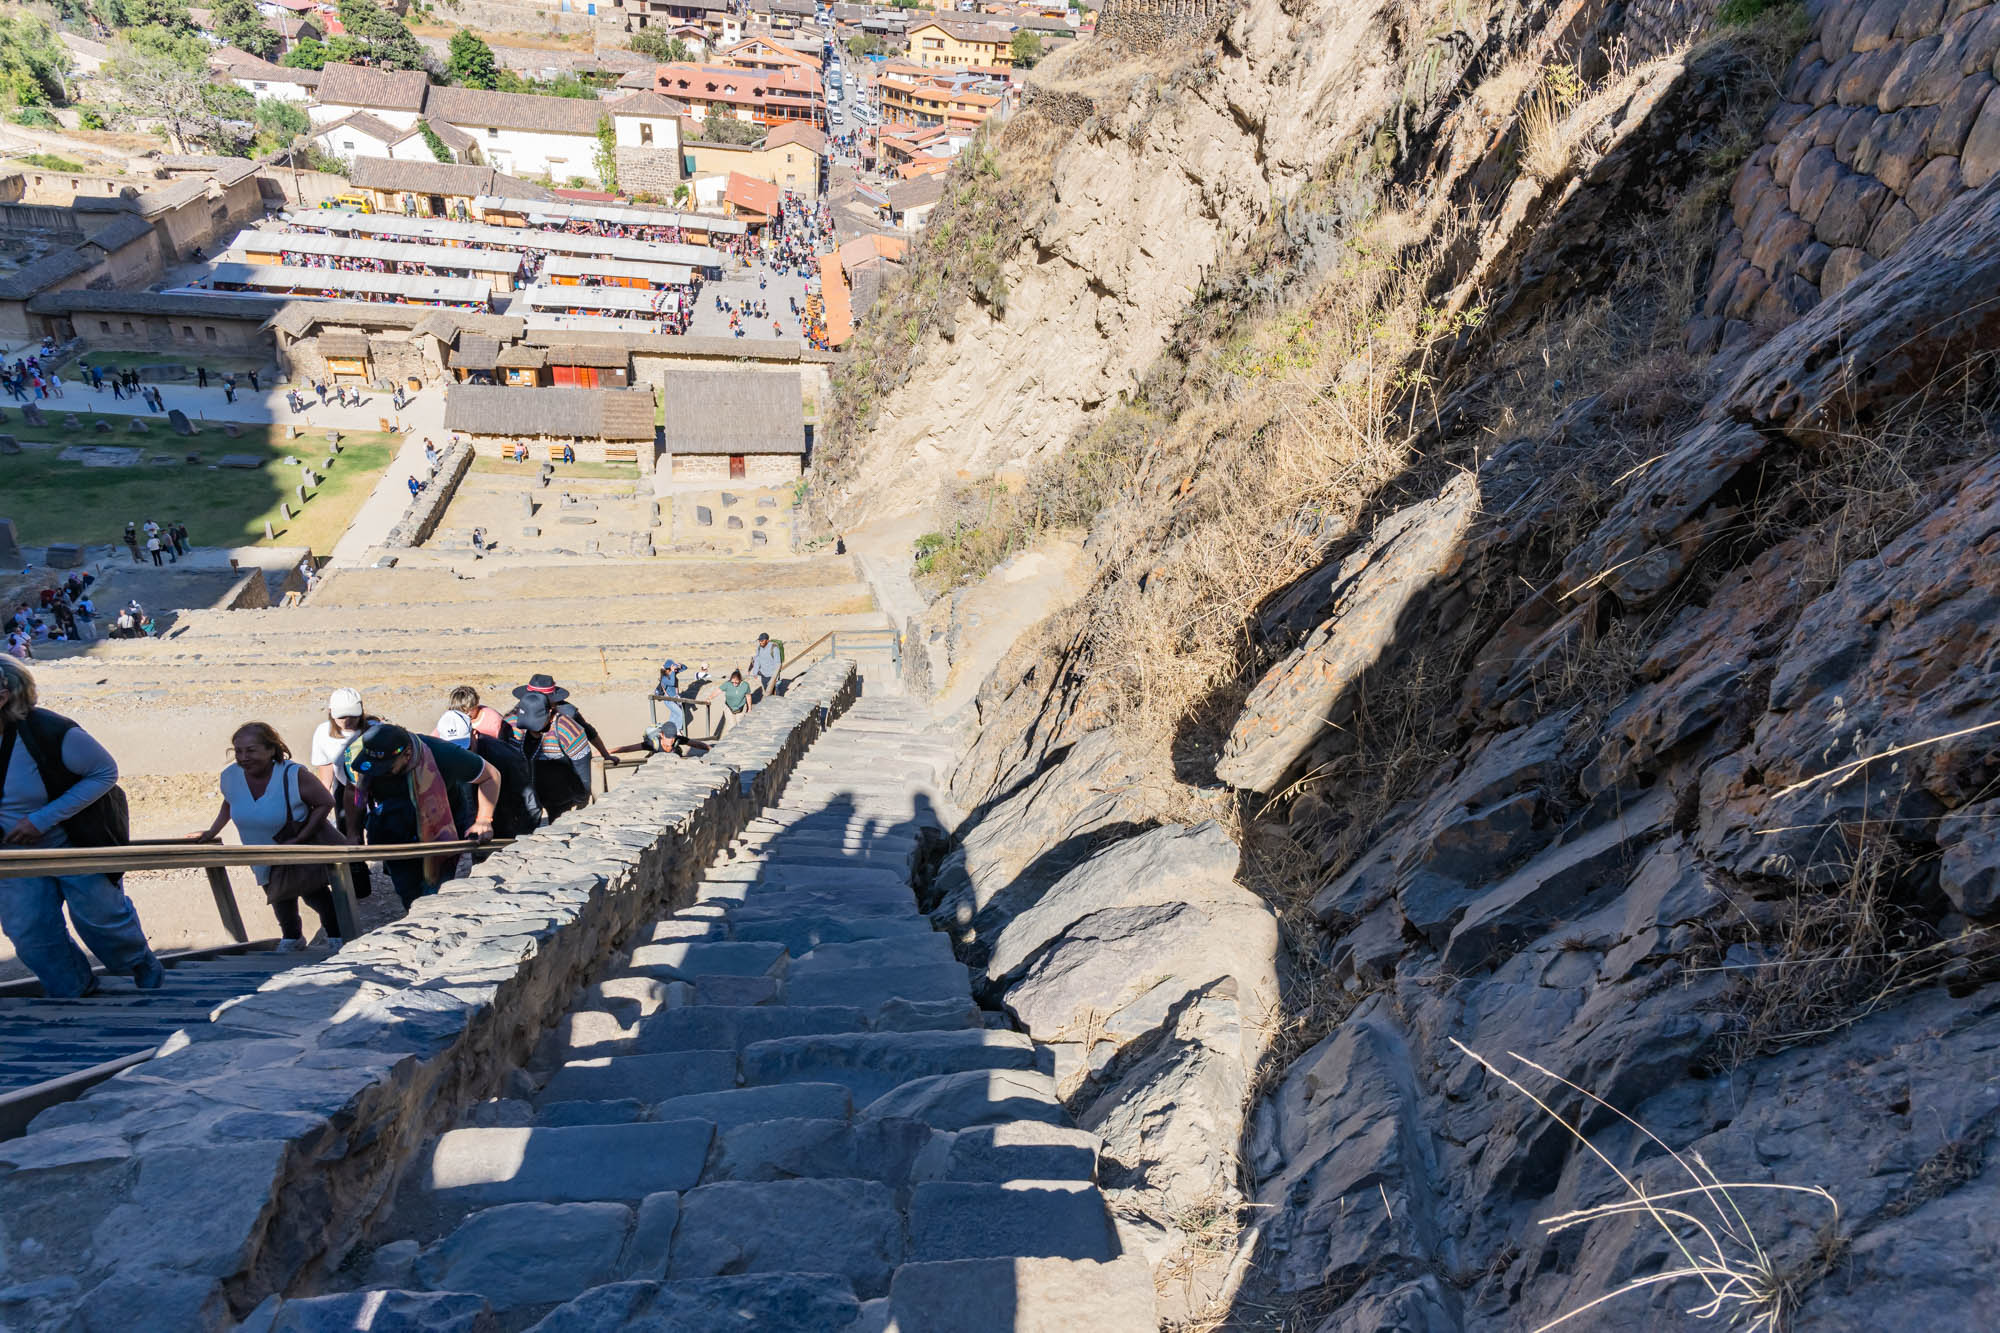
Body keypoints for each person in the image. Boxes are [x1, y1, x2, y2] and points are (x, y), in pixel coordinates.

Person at [0, 658, 164, 996]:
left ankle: (142, 969)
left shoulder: (50, 731)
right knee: (30, 933)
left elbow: (104, 772)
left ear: (4, 694)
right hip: (15, 856)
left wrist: (42, 820)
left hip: (71, 843)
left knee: (102, 919)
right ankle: (73, 992)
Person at [191, 723, 345, 952]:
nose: (243, 757)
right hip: (257, 847)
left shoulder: (293, 774)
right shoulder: (230, 776)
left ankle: (337, 938)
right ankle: (292, 937)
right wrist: (212, 832)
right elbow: (231, 801)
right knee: (276, 893)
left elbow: (326, 802)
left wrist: (302, 837)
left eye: (251, 750)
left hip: (294, 846)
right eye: (238, 751)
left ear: (271, 749)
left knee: (314, 893)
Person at [339, 723, 498, 909]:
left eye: (386, 768)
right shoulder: (356, 757)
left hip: (442, 824)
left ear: (407, 755)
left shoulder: (443, 754)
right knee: (408, 891)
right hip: (394, 825)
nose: (377, 773)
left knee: (437, 888)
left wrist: (484, 821)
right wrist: (353, 832)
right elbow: (354, 792)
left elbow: (491, 776)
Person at [435, 708, 538, 837]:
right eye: (452, 750)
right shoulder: (433, 757)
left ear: (474, 734)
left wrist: (524, 839)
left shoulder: (506, 757)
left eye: (465, 748)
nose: (460, 756)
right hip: (461, 832)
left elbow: (528, 802)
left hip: (501, 829)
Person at [507, 690, 592, 819]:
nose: (532, 730)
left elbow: (582, 767)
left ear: (550, 713)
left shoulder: (569, 730)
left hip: (559, 794)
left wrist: (582, 796)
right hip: (521, 793)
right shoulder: (509, 725)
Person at [311, 688, 375, 838]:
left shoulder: (375, 730)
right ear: (331, 712)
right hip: (345, 786)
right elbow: (326, 777)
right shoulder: (323, 733)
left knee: (380, 832)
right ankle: (355, 861)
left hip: (377, 788)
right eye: (341, 716)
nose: (347, 721)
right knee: (348, 834)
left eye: (352, 715)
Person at [750, 632, 783, 698]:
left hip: (772, 675)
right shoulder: (759, 648)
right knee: (766, 693)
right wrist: (755, 672)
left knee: (776, 693)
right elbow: (757, 659)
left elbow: (778, 663)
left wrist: (775, 677)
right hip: (764, 675)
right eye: (759, 640)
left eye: (762, 640)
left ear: (767, 640)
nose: (760, 642)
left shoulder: (774, 648)